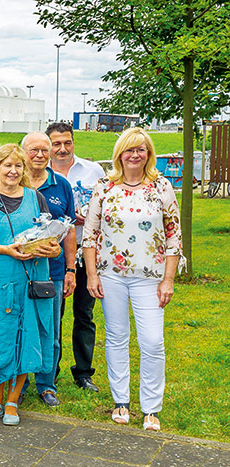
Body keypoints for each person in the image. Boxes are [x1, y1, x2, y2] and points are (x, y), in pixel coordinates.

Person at [83, 128, 183, 432]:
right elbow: (90, 234)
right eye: (130, 150)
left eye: (141, 149)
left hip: (150, 278)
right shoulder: (104, 187)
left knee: (152, 342)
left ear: (149, 153)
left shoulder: (161, 186)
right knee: (116, 337)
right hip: (111, 275)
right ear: (120, 154)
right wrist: (91, 274)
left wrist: (168, 279)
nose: (135, 155)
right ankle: (121, 401)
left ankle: (151, 408)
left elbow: (173, 235)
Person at [0, 144, 59, 426]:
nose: (13, 171)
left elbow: (49, 237)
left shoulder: (36, 198)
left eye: (18, 166)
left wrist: (51, 250)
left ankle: (13, 401)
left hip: (28, 281)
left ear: (24, 169)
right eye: (7, 165)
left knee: (24, 337)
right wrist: (6, 249)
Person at [19, 132, 77, 407]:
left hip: (51, 271)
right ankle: (19, 381)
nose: (40, 155)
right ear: (23, 152)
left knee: (49, 331)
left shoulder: (61, 185)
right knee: (18, 326)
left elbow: (69, 231)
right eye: (34, 150)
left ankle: (46, 384)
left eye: (45, 150)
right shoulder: (13, 181)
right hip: (16, 269)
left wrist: (70, 269)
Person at [47, 122, 105, 393]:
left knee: (84, 313)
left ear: (73, 142)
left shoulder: (93, 171)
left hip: (88, 249)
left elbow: (108, 206)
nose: (62, 148)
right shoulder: (40, 174)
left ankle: (83, 372)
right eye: (56, 143)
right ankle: (50, 371)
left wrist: (93, 215)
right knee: (52, 315)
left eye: (67, 142)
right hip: (54, 254)